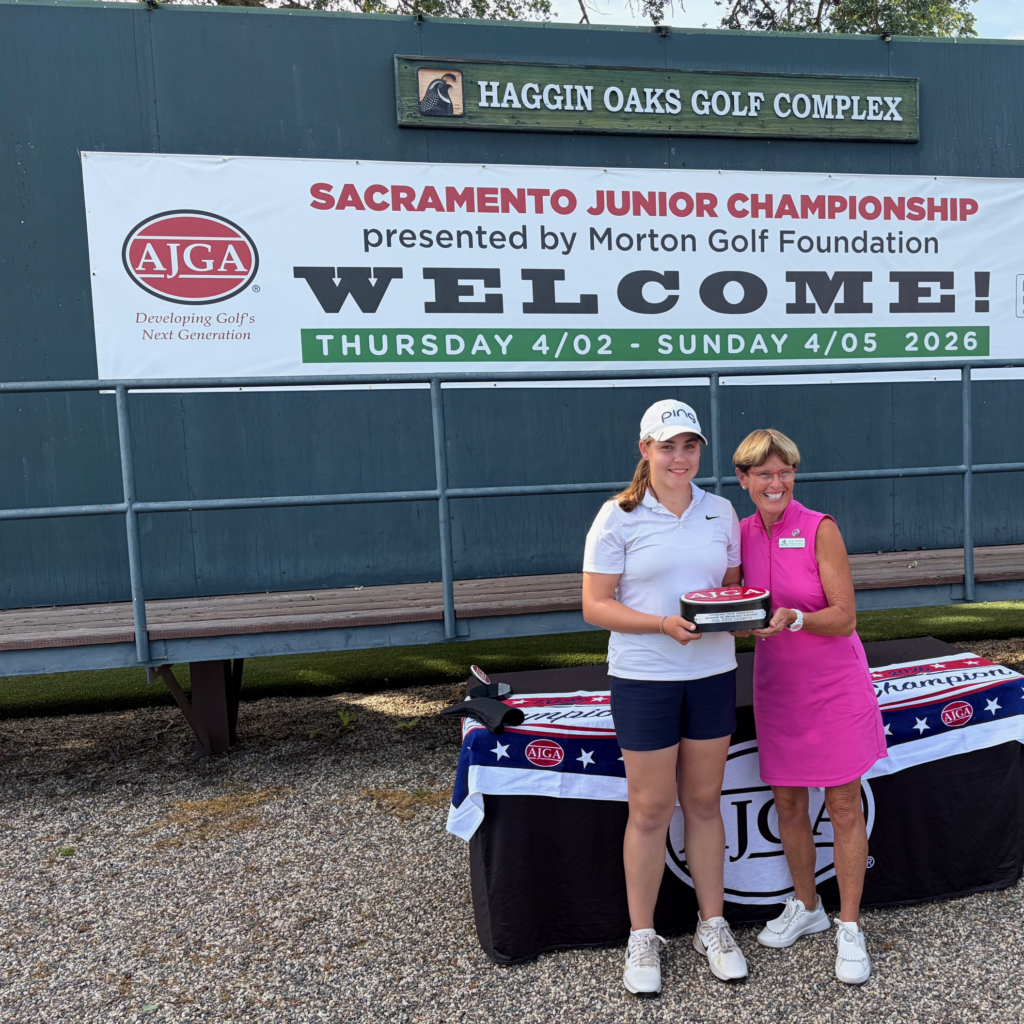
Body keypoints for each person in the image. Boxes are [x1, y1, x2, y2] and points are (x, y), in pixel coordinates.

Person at [582, 399, 748, 997]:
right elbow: (595, 605)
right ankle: (643, 935)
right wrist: (660, 625)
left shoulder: (721, 510)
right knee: (651, 810)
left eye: (690, 446)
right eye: (668, 446)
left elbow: (730, 590)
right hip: (644, 676)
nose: (680, 458)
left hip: (711, 673)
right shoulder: (617, 516)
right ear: (645, 450)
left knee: (704, 802)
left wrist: (746, 616)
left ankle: (713, 925)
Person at [731, 428, 887, 985]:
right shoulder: (739, 533)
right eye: (764, 474)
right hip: (778, 687)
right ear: (743, 480)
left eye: (785, 472)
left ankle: (850, 925)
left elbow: (845, 617)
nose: (776, 483)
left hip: (833, 685)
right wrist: (733, 621)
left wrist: (796, 618)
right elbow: (733, 603)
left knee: (843, 805)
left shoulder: (820, 527)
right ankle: (808, 905)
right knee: (789, 802)